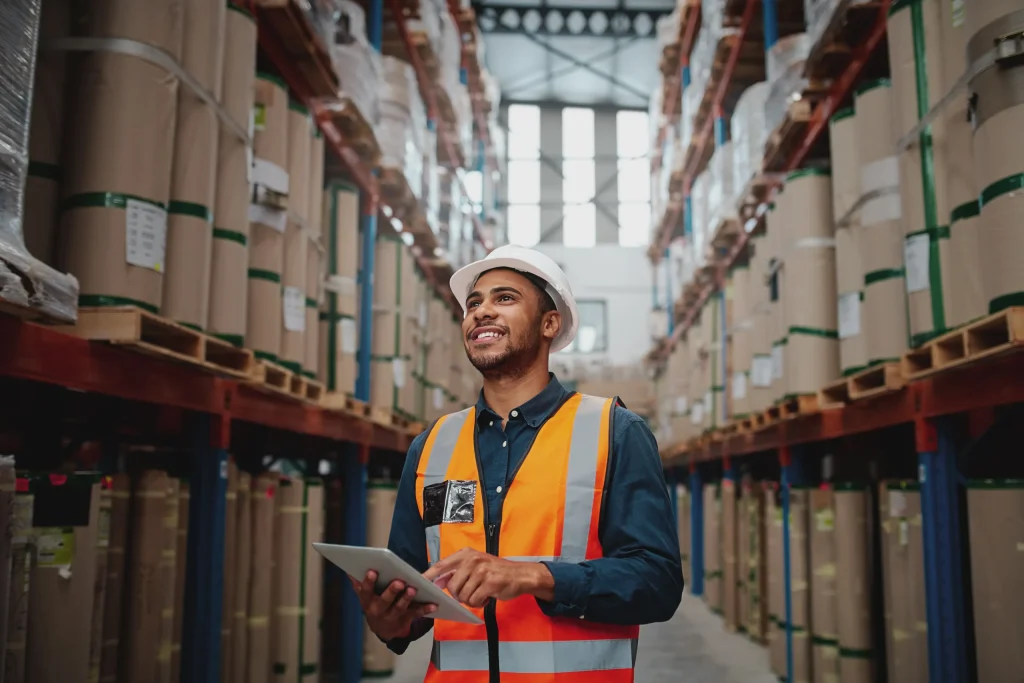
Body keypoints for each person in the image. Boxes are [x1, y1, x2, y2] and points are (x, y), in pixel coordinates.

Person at [350, 244, 684, 682]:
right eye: (474, 303)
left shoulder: (614, 432)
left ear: (550, 324)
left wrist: (535, 577)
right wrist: (389, 621)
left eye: (504, 298)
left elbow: (657, 583)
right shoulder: (432, 446)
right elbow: (414, 596)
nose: (481, 311)